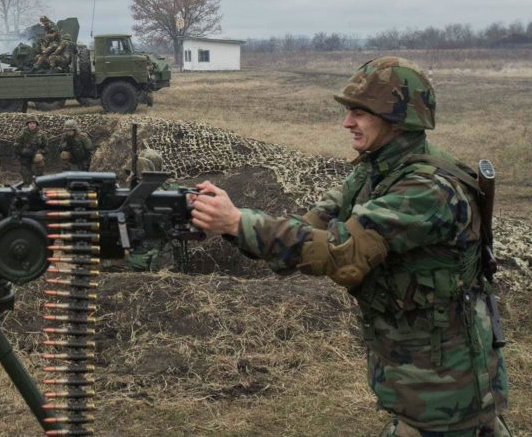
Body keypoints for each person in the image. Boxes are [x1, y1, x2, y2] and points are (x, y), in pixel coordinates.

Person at [188, 57, 510, 436]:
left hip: (446, 391)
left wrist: (238, 222)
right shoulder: (374, 171)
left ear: (397, 118)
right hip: (417, 380)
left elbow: (341, 255)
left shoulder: (427, 190)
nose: (347, 122)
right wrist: (233, 221)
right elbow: (310, 230)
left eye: (359, 112)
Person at [12, 117, 47, 184]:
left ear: (36, 124)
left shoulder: (41, 134)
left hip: (36, 154)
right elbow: (17, 146)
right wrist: (23, 151)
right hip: (25, 155)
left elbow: (46, 147)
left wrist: (40, 151)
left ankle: (39, 179)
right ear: (27, 124)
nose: (32, 125)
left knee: (38, 158)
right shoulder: (22, 134)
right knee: (26, 175)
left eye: (33, 123)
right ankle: (28, 182)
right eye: (30, 123)